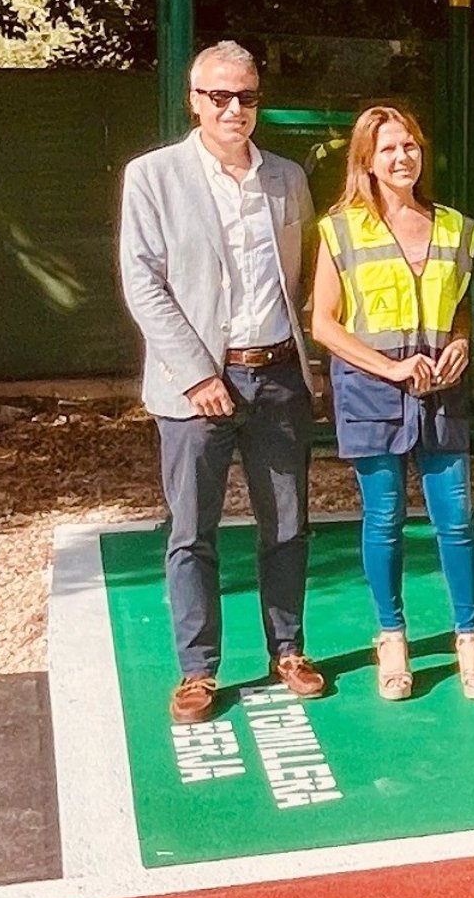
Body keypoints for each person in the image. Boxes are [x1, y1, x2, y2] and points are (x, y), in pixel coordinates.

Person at [118, 40, 321, 725]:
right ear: (194, 100)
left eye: (247, 96)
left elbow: (304, 275)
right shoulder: (152, 176)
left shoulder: (288, 177)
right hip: (195, 385)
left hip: (278, 376)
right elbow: (142, 282)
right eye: (220, 96)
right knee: (192, 531)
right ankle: (198, 670)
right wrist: (199, 373)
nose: (235, 108)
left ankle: (287, 650)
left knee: (288, 524)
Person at [310, 104, 474, 702]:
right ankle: (392, 637)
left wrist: (461, 341)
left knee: (456, 521)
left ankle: (469, 636)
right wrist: (389, 366)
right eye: (388, 148)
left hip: (441, 395)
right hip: (371, 394)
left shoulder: (458, 228)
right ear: (367, 159)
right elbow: (325, 324)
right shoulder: (339, 230)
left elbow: (462, 306)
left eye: (410, 145)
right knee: (384, 520)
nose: (402, 157)